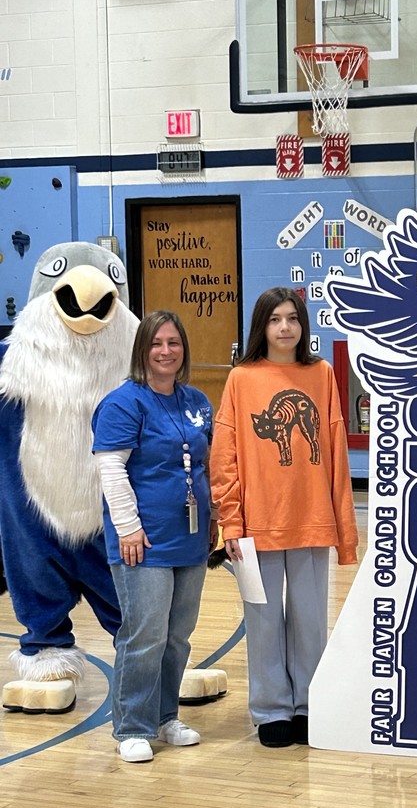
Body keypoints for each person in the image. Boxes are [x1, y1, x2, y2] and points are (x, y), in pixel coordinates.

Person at [210, 287, 358, 748]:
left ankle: (309, 705)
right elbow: (225, 457)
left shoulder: (321, 374)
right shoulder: (242, 378)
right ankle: (272, 710)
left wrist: (345, 533)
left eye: (292, 318)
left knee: (310, 621)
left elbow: (334, 455)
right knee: (264, 622)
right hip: (256, 526)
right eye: (275, 319)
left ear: (303, 324)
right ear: (262, 326)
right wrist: (230, 523)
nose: (285, 327)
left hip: (312, 520)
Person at [92, 311, 216, 763]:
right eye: (156, 343)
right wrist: (127, 526)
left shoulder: (197, 401)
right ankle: (131, 726)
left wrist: (214, 516)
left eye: (174, 343)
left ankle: (165, 716)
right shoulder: (124, 403)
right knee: (144, 635)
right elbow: (110, 468)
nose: (165, 351)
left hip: (191, 538)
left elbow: (204, 463)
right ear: (142, 350)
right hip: (141, 541)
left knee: (178, 634)